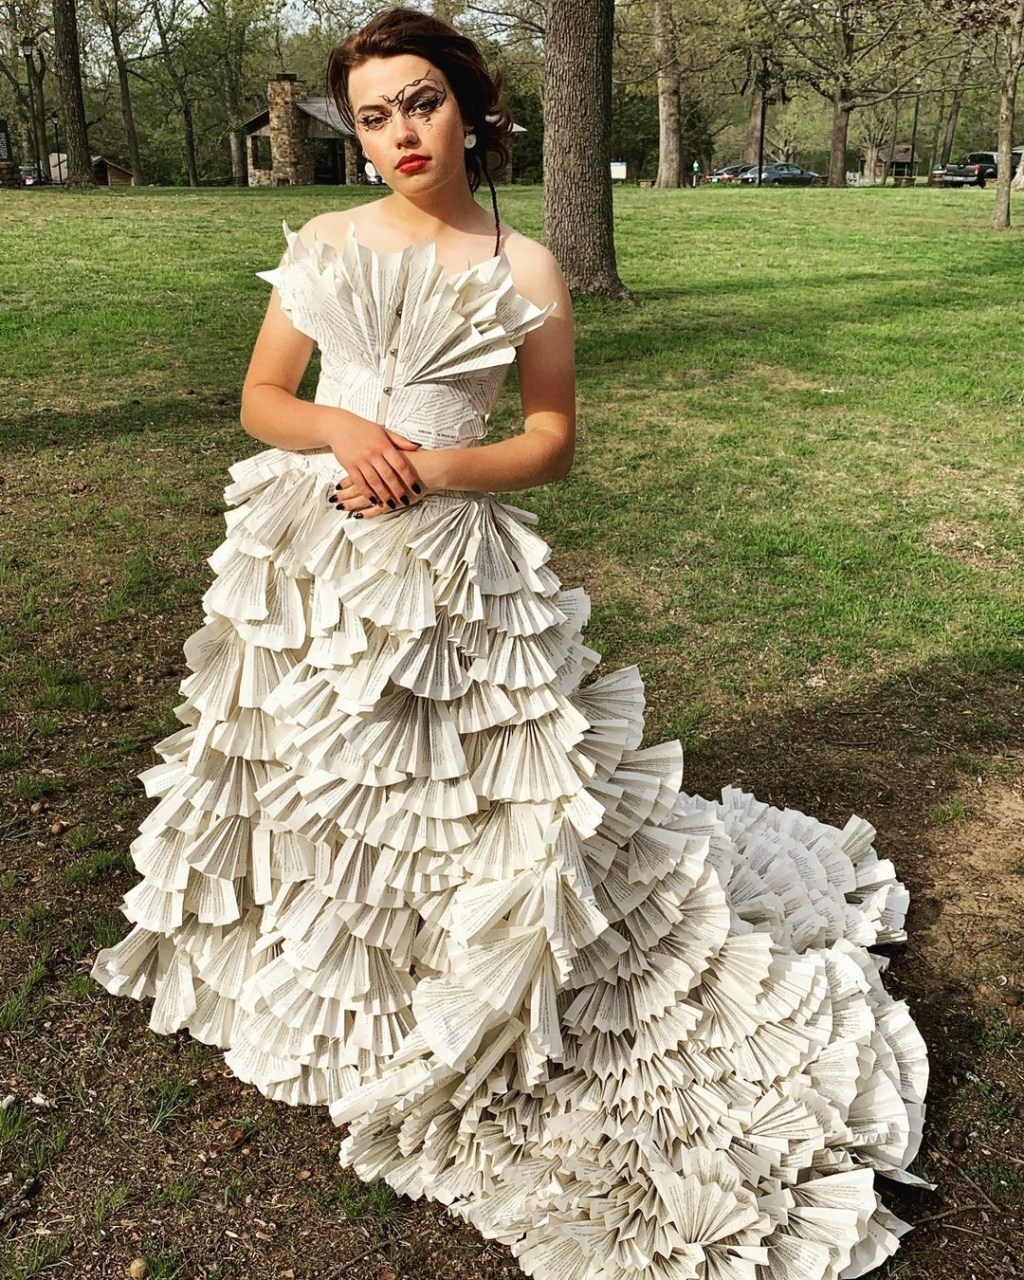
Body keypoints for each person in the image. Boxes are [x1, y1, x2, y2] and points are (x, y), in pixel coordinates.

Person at [92, 9, 928, 1279]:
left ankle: (460, 985)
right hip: (306, 552)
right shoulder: (322, 242)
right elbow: (263, 397)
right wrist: (339, 435)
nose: (398, 134)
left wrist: (426, 467)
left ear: (470, 109)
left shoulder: (524, 265)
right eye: (372, 115)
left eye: (418, 102)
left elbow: (550, 442)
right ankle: (325, 973)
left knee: (462, 790)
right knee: (304, 768)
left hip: (448, 558)